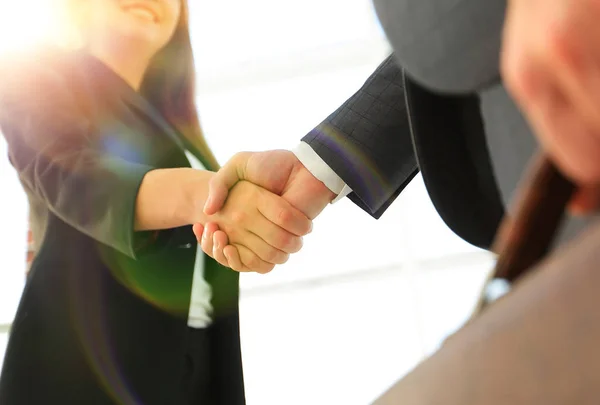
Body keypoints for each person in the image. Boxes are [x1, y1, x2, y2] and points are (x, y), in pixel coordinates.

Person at [0, 1, 313, 404]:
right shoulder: (32, 75)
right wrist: (209, 196)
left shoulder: (177, 131)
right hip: (80, 377)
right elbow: (72, 173)